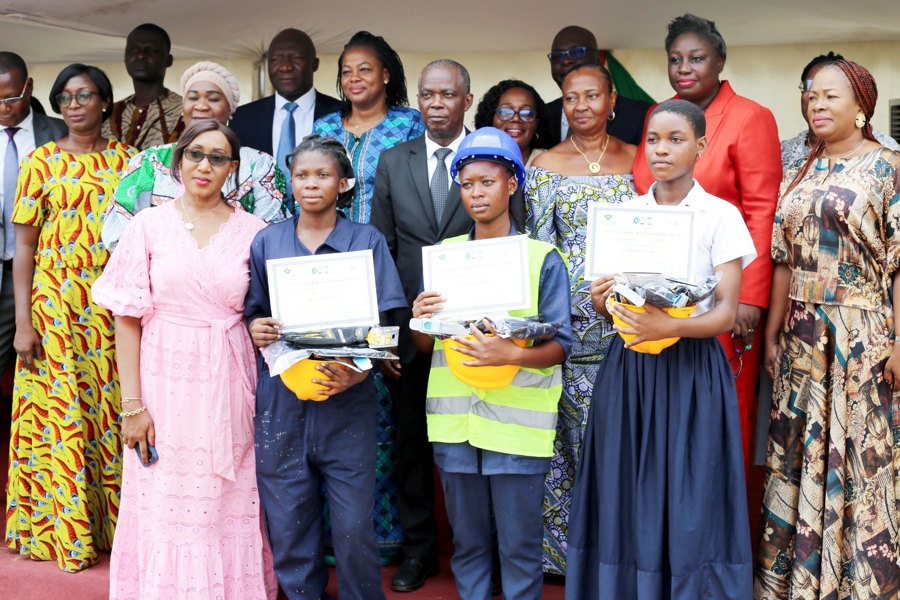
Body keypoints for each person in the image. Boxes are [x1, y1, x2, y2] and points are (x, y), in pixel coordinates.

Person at [566, 99, 755, 599]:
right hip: (629, 368)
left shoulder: (721, 216)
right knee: (627, 485)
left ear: (700, 146)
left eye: (675, 139)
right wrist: (606, 304)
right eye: (653, 139)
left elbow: (724, 314)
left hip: (692, 370)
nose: (662, 149)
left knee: (691, 488)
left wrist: (661, 325)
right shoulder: (624, 215)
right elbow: (605, 305)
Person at [93, 119, 276, 599]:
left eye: (218, 157)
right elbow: (127, 318)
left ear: (232, 169)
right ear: (178, 161)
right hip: (162, 379)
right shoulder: (147, 226)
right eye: (196, 153)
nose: (205, 165)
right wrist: (132, 405)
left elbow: (267, 311)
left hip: (229, 380)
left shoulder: (255, 232)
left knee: (224, 495)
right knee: (163, 495)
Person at [756, 60, 900, 600]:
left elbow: (898, 262)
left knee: (861, 459)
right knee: (798, 456)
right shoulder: (802, 169)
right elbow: (783, 262)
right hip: (800, 337)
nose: (816, 103)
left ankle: (860, 585)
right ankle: (798, 584)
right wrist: (772, 335)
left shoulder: (889, 167)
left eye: (830, 95)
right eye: (809, 95)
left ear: (861, 105)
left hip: (860, 336)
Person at [411, 127, 571, 600]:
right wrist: (420, 321)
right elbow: (426, 350)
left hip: (516, 428)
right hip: (455, 423)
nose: (476, 193)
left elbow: (561, 344)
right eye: (467, 184)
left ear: (513, 184)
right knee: (468, 543)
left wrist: (509, 353)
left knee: (521, 547)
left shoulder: (542, 258)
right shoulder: (442, 259)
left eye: (488, 182)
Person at [246, 134, 405, 600]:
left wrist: (360, 369)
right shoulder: (267, 242)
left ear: (344, 182)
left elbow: (386, 328)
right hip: (283, 404)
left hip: (348, 401)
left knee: (355, 528)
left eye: (323, 175)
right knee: (291, 524)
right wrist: (258, 328)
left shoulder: (366, 240)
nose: (311, 184)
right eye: (301, 175)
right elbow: (252, 312)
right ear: (289, 182)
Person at [632, 14, 782, 477]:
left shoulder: (749, 117)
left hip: (723, 297)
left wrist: (749, 298)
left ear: (719, 60)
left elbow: (761, 210)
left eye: (697, 58)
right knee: (663, 415)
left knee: (721, 412)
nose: (685, 67)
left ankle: (719, 529)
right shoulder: (661, 115)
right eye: (675, 59)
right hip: (659, 297)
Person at [5, 63, 136, 572]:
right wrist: (23, 322)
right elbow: (24, 247)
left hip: (111, 308)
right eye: (65, 96)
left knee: (108, 416)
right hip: (54, 308)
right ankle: (63, 531)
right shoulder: (39, 162)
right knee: (59, 419)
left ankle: (117, 528)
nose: (74, 104)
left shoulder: (130, 162)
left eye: (85, 95)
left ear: (105, 101)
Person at [315, 30, 424, 561]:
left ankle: (385, 535)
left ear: (386, 74)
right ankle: (334, 537)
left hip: (390, 280)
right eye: (347, 71)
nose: (355, 79)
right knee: (335, 398)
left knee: (383, 406)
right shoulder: (325, 129)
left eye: (365, 69)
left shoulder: (410, 125)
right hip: (327, 283)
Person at [525, 61, 636, 575]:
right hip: (574, 326)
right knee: (571, 440)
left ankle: (624, 550)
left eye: (593, 96)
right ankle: (566, 557)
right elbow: (541, 254)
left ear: (613, 100)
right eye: (571, 98)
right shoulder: (546, 164)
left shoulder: (639, 160)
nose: (582, 106)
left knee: (627, 437)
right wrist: (569, 307)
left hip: (634, 325)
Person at [369, 58, 473, 592]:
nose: (436, 104)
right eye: (428, 95)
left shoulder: (490, 156)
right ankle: (418, 551)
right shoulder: (394, 160)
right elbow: (382, 251)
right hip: (411, 335)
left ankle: (478, 553)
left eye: (448, 95)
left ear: (466, 101)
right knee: (412, 445)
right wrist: (390, 334)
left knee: (472, 448)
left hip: (476, 334)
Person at [101, 61, 288, 251]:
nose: (201, 106)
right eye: (193, 98)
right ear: (183, 107)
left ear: (230, 109)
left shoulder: (259, 164)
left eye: (213, 99)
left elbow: (272, 233)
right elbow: (119, 234)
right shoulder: (150, 161)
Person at [0, 52, 67, 383]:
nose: (3, 108)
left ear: (28, 87)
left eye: (11, 97)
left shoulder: (61, 133)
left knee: (45, 372)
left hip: (46, 276)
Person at [229, 28, 342, 204]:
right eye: (275, 60)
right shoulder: (243, 117)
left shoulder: (341, 114)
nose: (285, 67)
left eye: (296, 58)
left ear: (315, 64)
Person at [781, 51, 900, 171]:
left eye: (831, 96)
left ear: (860, 104)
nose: (818, 105)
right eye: (813, 96)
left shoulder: (888, 159)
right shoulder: (795, 165)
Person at [545, 26, 652, 147]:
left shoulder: (640, 114)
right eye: (557, 56)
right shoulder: (542, 116)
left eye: (576, 53)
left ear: (598, 59)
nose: (565, 61)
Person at [474, 80, 552, 227]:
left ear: (537, 122)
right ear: (492, 118)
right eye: (505, 112)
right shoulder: (476, 162)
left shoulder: (551, 163)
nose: (516, 118)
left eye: (527, 113)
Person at [102, 24, 184, 150]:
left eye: (151, 50)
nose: (140, 55)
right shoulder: (109, 114)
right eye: (134, 49)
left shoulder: (186, 112)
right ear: (125, 57)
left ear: (168, 60)